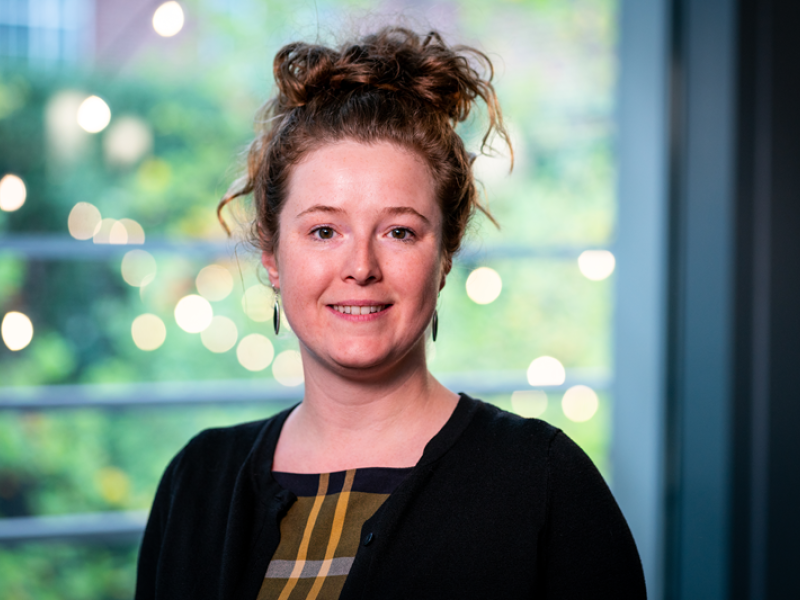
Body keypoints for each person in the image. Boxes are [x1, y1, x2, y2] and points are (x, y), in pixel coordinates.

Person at [135, 27, 646, 600]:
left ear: (445, 255)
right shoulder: (196, 482)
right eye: (324, 230)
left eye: (399, 231)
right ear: (272, 257)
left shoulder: (544, 484)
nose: (361, 266)